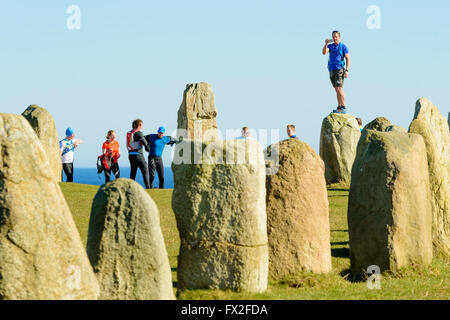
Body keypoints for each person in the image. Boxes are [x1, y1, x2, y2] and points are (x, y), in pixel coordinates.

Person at [322, 30, 350, 113]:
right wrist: (326, 43)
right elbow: (324, 52)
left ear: (339, 37)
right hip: (331, 69)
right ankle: (339, 106)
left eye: (336, 37)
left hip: (339, 69)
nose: (334, 38)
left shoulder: (343, 46)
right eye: (333, 37)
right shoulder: (330, 46)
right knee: (336, 89)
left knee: (339, 88)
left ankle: (343, 106)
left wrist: (347, 70)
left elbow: (348, 58)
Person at [127, 119, 151, 189]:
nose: (142, 127)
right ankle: (148, 188)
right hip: (138, 155)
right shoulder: (138, 132)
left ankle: (130, 188)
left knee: (133, 172)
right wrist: (148, 149)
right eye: (141, 125)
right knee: (145, 171)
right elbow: (144, 143)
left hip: (131, 155)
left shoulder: (129, 133)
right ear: (139, 125)